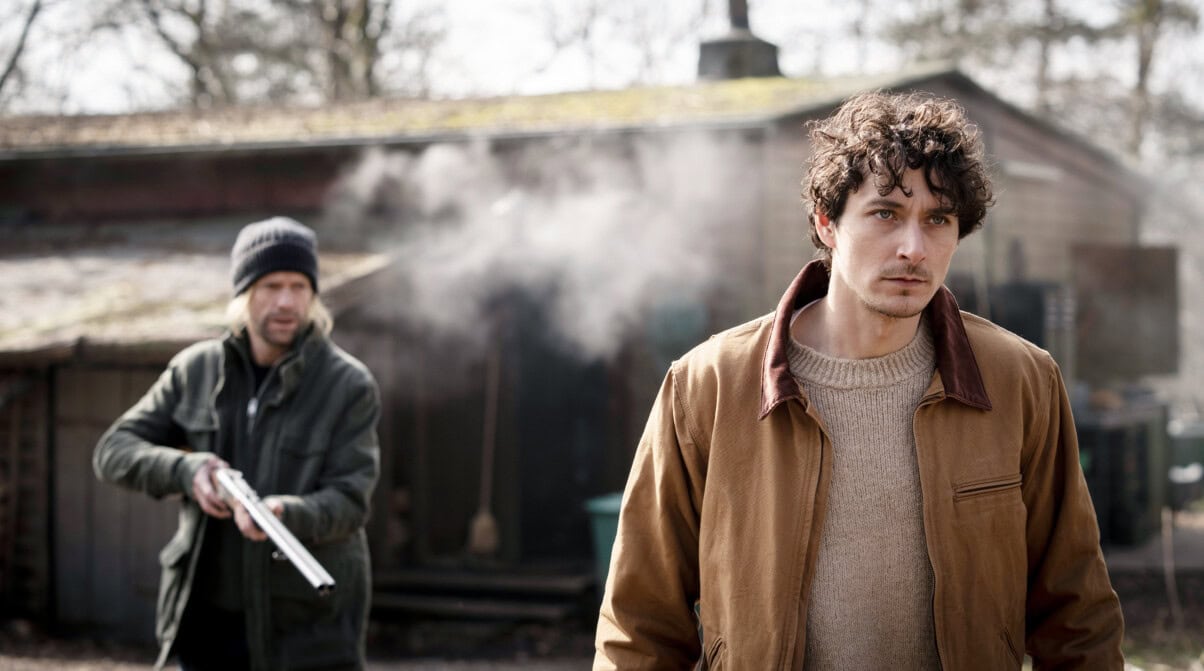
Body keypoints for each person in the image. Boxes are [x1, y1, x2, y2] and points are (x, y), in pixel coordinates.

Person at [594, 92, 1124, 669]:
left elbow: (1078, 615)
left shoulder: (1019, 379)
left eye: (938, 220)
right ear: (827, 223)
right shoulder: (709, 385)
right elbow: (639, 625)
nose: (913, 248)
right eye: (885, 213)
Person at [94, 217, 381, 671]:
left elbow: (351, 501)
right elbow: (113, 452)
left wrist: (287, 514)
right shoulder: (195, 369)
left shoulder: (348, 385)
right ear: (244, 293)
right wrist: (189, 472)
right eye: (270, 286)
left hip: (304, 628)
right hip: (208, 621)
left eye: (299, 286)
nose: (287, 301)